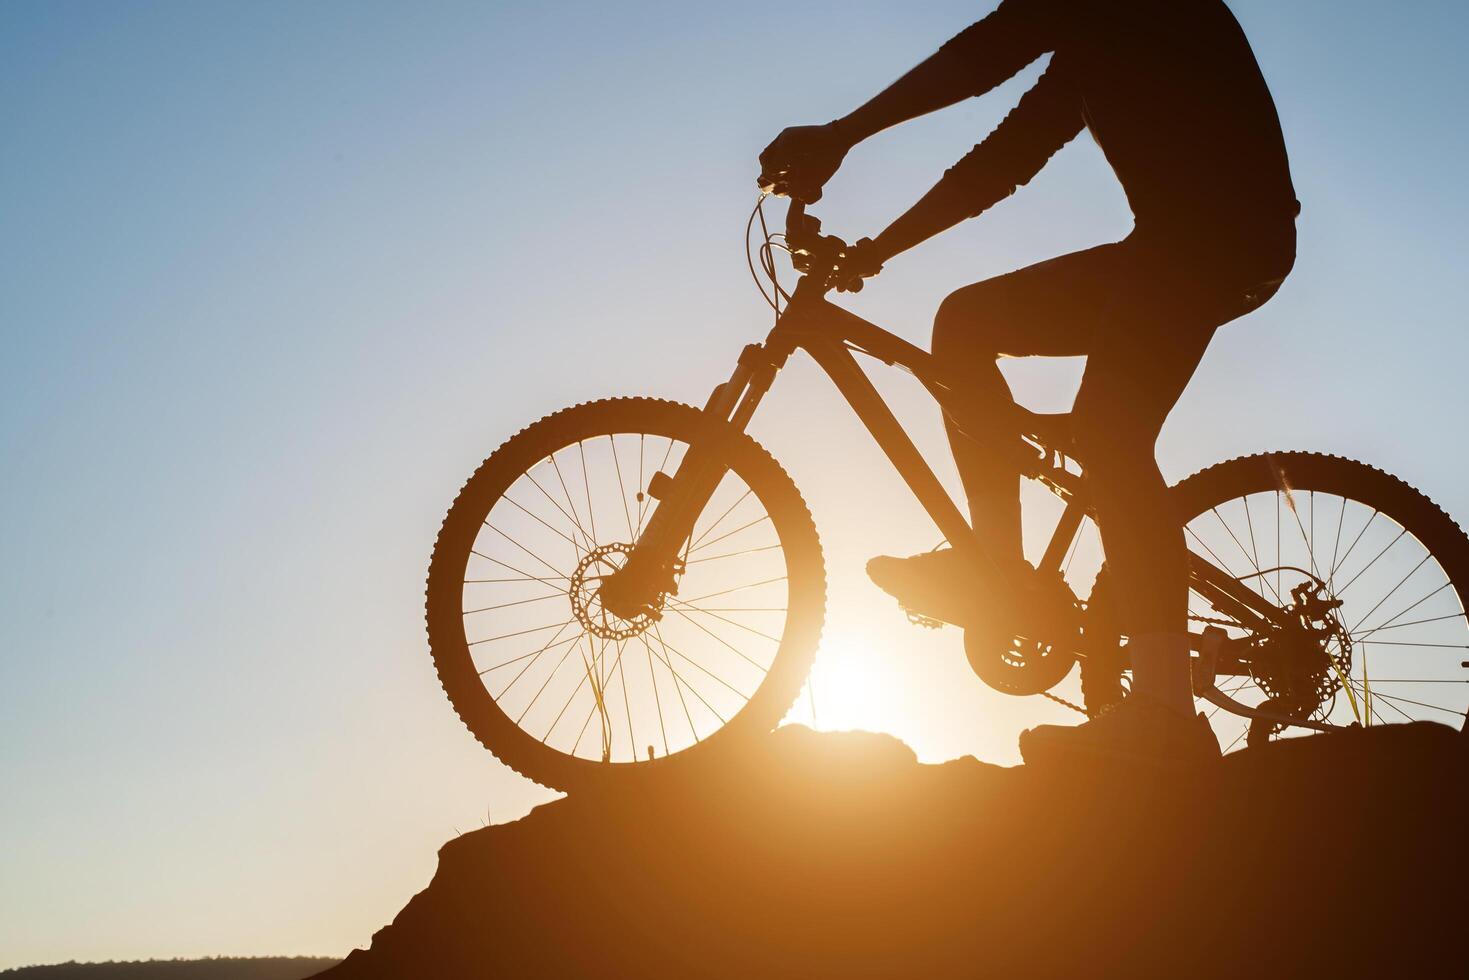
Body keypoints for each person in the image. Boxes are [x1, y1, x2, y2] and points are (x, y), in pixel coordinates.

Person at [757, 0, 1299, 765]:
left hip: (1217, 242)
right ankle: (997, 572)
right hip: (1169, 248)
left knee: (1110, 433)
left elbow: (983, 56)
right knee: (966, 325)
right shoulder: (1084, 51)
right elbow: (1002, 162)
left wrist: (841, 135)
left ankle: (1165, 715)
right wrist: (879, 251)